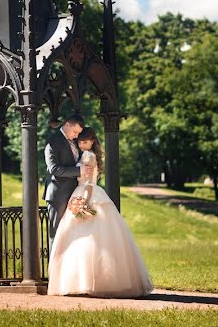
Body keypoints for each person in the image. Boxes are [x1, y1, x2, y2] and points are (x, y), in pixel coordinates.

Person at [47, 127, 154, 298]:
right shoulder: (85, 155)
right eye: (80, 141)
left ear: (92, 141)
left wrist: (85, 201)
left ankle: (88, 281)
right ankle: (85, 281)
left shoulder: (88, 156)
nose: (82, 144)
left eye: (85, 142)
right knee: (84, 238)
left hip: (87, 193)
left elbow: (89, 182)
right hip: (82, 192)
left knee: (88, 238)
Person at [43, 114, 88, 254]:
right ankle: (53, 273)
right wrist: (79, 171)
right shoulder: (53, 141)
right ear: (67, 124)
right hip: (58, 195)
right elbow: (54, 169)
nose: (76, 136)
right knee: (56, 234)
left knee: (72, 235)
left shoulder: (74, 142)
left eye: (78, 133)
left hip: (73, 194)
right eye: (75, 132)